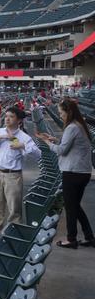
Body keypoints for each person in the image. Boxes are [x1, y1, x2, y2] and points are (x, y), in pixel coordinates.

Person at [38, 98, 94, 248]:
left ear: (68, 112)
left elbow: (62, 150)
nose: (60, 115)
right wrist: (55, 139)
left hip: (73, 172)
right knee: (75, 206)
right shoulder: (79, 125)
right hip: (82, 172)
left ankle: (71, 239)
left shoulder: (72, 128)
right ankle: (89, 236)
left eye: (61, 112)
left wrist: (47, 142)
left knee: (70, 207)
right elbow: (70, 145)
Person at [0, 107, 41, 243]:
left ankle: (14, 232)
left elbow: (37, 154)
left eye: (11, 117)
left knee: (14, 206)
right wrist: (0, 137)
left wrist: (18, 143)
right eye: (6, 116)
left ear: (19, 120)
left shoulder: (23, 137)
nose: (7, 119)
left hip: (13, 175)